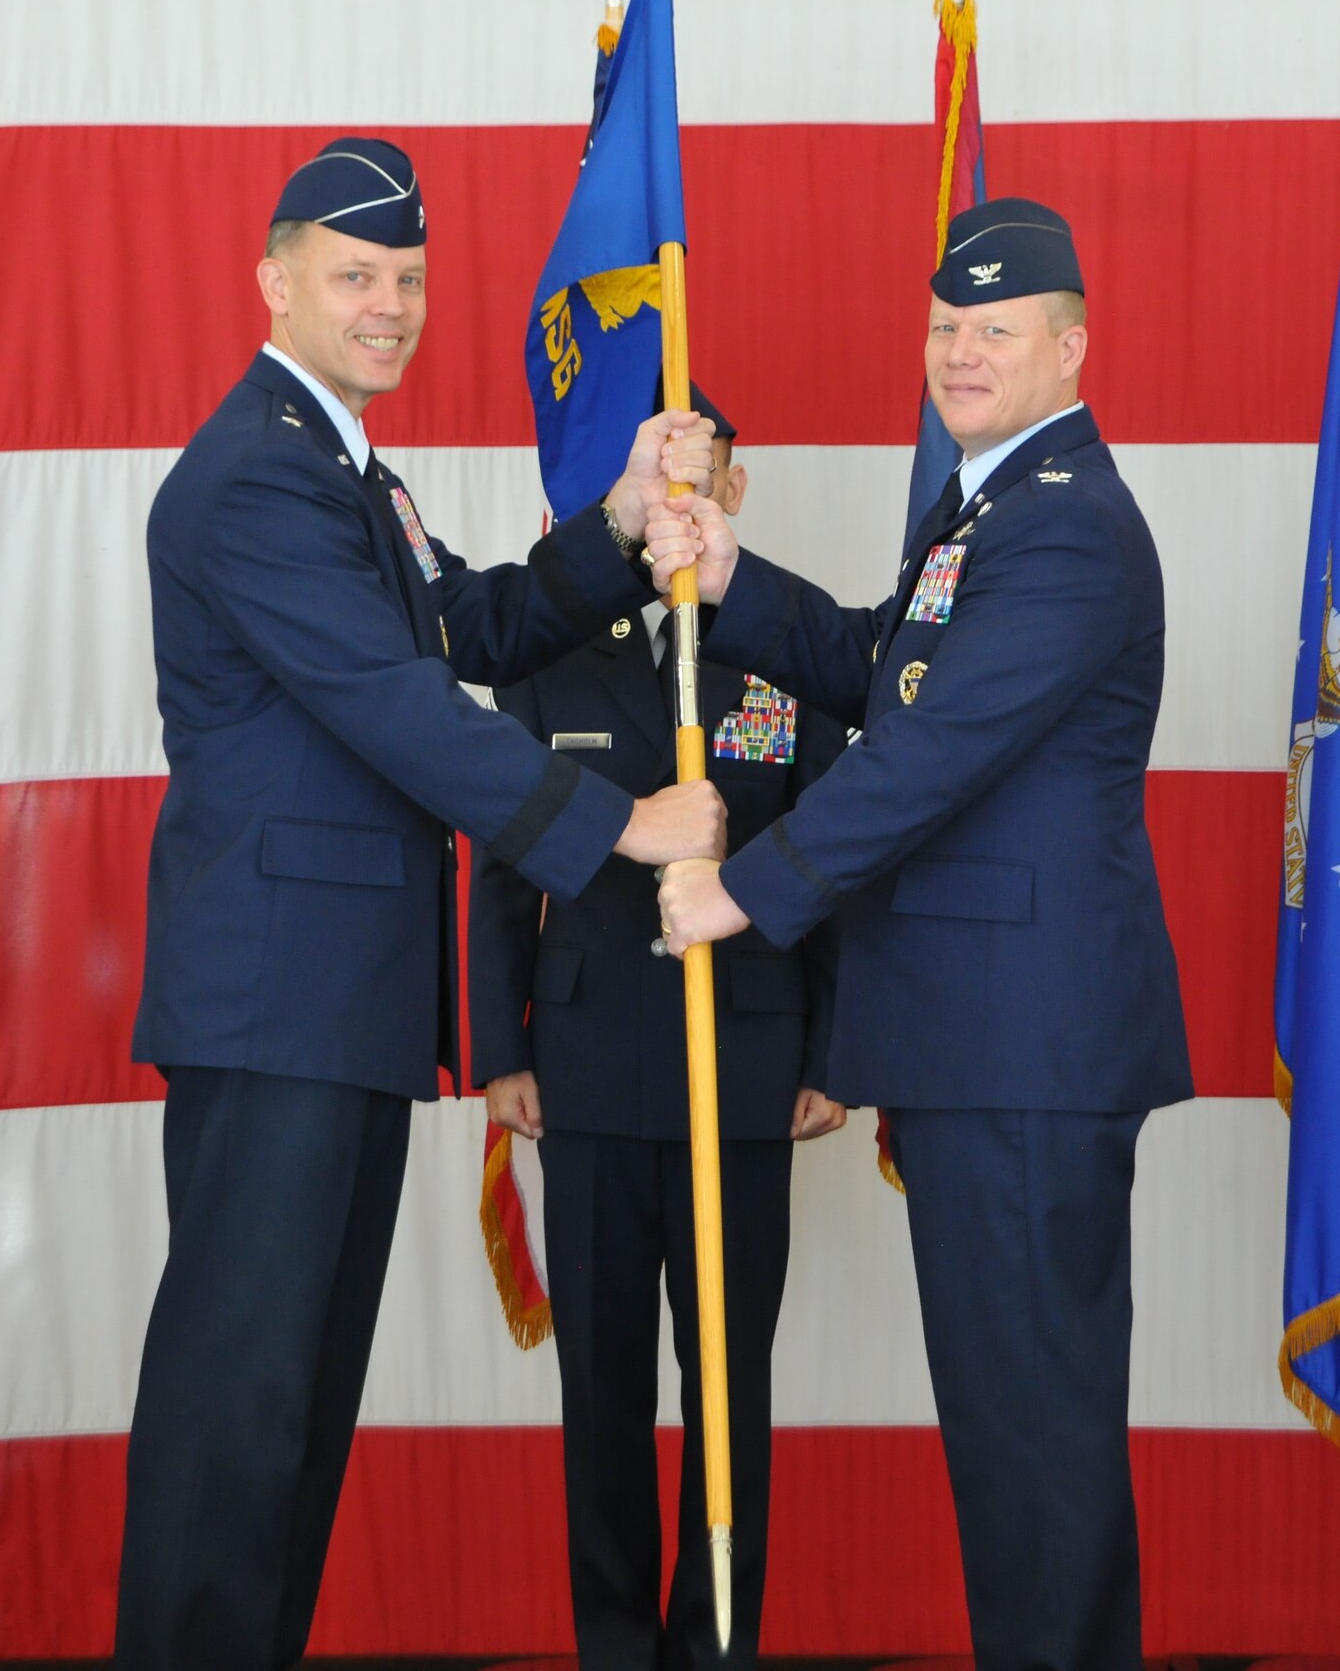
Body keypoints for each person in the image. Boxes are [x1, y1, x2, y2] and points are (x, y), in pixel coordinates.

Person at [114, 136, 726, 1671]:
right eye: (355, 277)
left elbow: (480, 620)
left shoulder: (344, 473)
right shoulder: (257, 476)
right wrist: (623, 827)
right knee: (237, 1417)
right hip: (278, 1009)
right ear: (275, 281)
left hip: (339, 1011)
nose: (388, 308)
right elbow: (403, 707)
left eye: (407, 283)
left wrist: (619, 524)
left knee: (298, 1418)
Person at [648, 198, 1194, 1671]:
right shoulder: (993, 509)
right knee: (1011, 1438)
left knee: (1036, 1442)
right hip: (985, 1044)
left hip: (1027, 1048)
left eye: (995, 332)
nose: (960, 353)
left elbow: (930, 754)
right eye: (947, 327)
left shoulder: (1068, 528)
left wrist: (744, 892)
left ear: (1071, 350)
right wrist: (728, 574)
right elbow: (876, 669)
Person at [470, 386, 847, 1669]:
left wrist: (835, 1053)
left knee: (729, 1389)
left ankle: (718, 1647)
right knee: (605, 1393)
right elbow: (504, 864)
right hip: (581, 1067)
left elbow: (835, 850)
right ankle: (617, 1645)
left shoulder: (787, 654)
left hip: (744, 1068)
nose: (682, 502)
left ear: (733, 495)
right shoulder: (549, 655)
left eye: (705, 475)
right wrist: (502, 1045)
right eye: (659, 479)